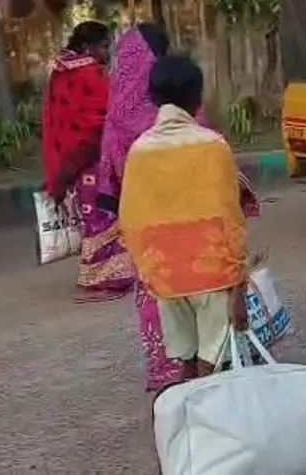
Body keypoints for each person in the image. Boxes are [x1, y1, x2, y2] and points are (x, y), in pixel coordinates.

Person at [94, 24, 260, 392]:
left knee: (185, 358)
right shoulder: (212, 145)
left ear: (153, 96)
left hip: (164, 276)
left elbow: (129, 218)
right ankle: (209, 416)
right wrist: (238, 284)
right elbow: (229, 218)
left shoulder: (139, 150)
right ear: (197, 98)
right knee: (211, 361)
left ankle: (186, 412)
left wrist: (151, 270)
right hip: (211, 274)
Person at [41, 20, 117, 302]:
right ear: (87, 47)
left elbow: (56, 119)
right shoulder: (91, 74)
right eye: (104, 47)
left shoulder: (59, 73)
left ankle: (96, 274)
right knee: (104, 217)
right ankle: (106, 277)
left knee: (90, 217)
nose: (107, 54)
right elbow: (103, 115)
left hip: (70, 158)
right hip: (93, 155)